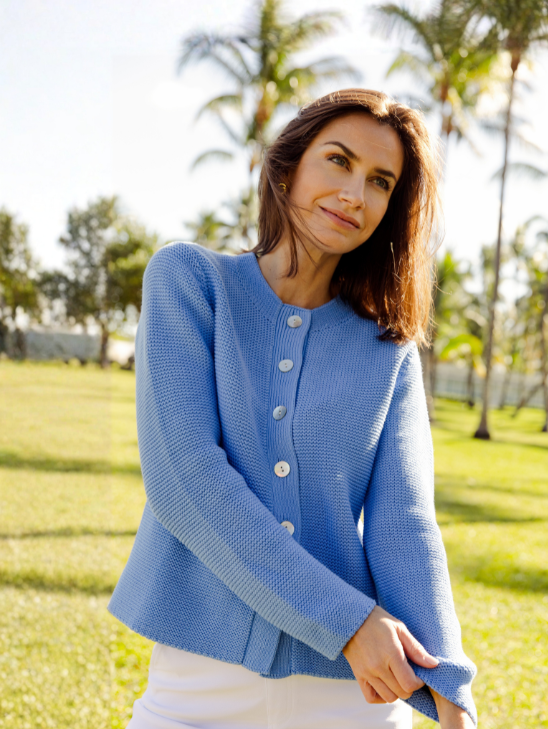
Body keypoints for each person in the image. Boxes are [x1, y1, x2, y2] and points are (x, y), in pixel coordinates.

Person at [108, 88, 477, 729]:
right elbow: (184, 478)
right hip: (200, 682)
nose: (354, 195)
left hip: (353, 697)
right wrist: (350, 622)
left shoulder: (389, 347)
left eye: (380, 182)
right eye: (338, 161)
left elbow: (406, 524)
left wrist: (452, 698)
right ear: (288, 167)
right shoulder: (190, 283)